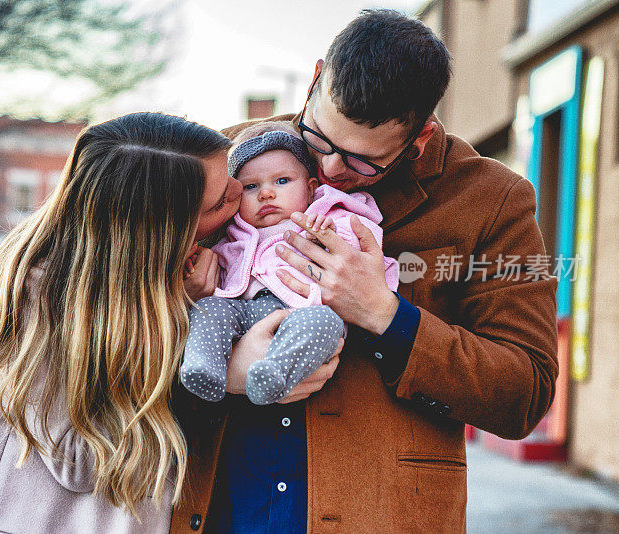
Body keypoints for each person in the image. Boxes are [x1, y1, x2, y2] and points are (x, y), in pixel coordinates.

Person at [168, 10, 558, 534]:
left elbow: (524, 394)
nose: (328, 170)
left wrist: (385, 314)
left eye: (362, 162)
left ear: (420, 138)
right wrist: (194, 322)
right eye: (318, 139)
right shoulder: (231, 158)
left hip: (380, 515)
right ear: (314, 81)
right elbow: (108, 315)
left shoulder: (491, 200)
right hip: (218, 509)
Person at [0, 112, 343, 534]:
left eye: (232, 180)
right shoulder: (36, 295)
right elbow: (79, 461)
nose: (241, 199)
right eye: (220, 202)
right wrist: (213, 365)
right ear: (161, 231)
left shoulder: (164, 273)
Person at [180, 122, 398, 405]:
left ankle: (274, 374)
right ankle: (204, 367)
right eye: (250, 186)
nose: (266, 193)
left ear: (311, 189)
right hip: (243, 310)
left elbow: (362, 247)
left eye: (282, 181)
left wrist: (329, 232)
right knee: (209, 309)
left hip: (304, 311)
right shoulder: (236, 234)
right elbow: (217, 270)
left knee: (326, 323)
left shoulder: (328, 215)